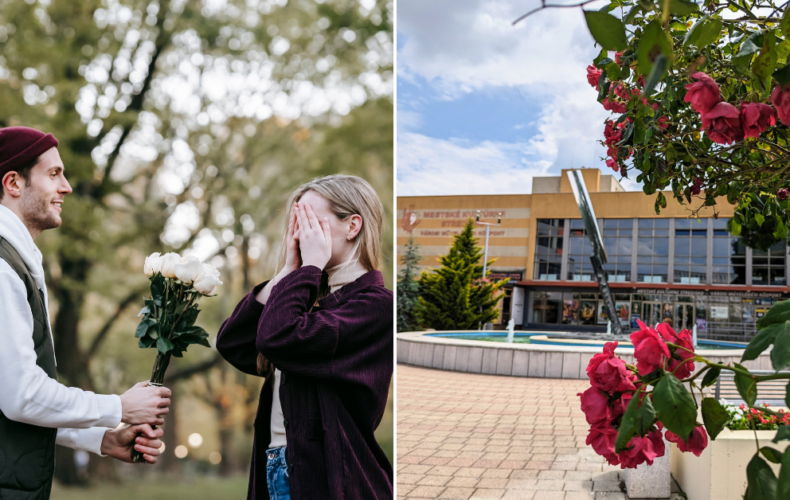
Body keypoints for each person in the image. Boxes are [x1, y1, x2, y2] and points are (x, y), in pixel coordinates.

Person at [0, 127, 171, 500]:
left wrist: (103, 439)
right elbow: (21, 396)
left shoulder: (18, 261)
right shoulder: (1, 267)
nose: (67, 187)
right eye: (53, 174)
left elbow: (11, 401)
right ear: (13, 183)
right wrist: (120, 406)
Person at [216, 174, 393, 499]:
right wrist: (287, 272)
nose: (300, 233)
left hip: (328, 478)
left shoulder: (376, 307)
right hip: (277, 465)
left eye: (311, 221)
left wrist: (309, 267)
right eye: (296, 222)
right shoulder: (308, 298)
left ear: (353, 226)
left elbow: (279, 338)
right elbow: (234, 344)